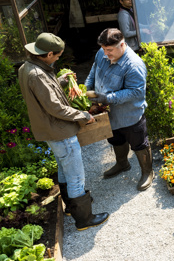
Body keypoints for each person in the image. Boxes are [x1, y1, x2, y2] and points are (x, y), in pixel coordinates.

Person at [18, 33, 109, 231]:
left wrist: (60, 81)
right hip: (59, 131)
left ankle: (71, 206)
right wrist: (82, 115)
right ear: (48, 53)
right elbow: (56, 108)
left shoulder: (27, 68)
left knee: (63, 168)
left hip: (49, 131)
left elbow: (43, 94)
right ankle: (84, 219)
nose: (58, 58)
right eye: (57, 56)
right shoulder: (38, 75)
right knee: (75, 175)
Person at [85, 28, 153, 191]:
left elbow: (136, 92)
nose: (105, 54)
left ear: (122, 44)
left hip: (129, 115)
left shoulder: (134, 65)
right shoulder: (102, 54)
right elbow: (94, 70)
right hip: (110, 115)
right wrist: (87, 88)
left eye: (109, 50)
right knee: (115, 139)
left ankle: (148, 172)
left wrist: (107, 98)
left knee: (139, 144)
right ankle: (122, 164)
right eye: (103, 49)